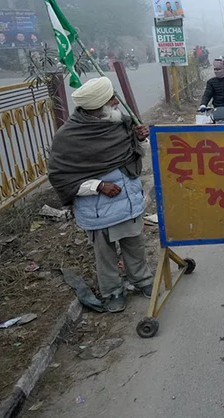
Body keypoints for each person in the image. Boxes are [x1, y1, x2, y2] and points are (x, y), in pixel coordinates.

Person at [47, 77, 154, 313]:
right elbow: (60, 176)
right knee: (104, 254)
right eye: (111, 99)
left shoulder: (121, 123)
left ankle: (142, 280)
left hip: (127, 201)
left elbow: (138, 156)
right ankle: (113, 291)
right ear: (97, 107)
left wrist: (141, 138)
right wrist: (97, 186)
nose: (117, 102)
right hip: (97, 209)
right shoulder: (68, 136)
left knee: (134, 245)